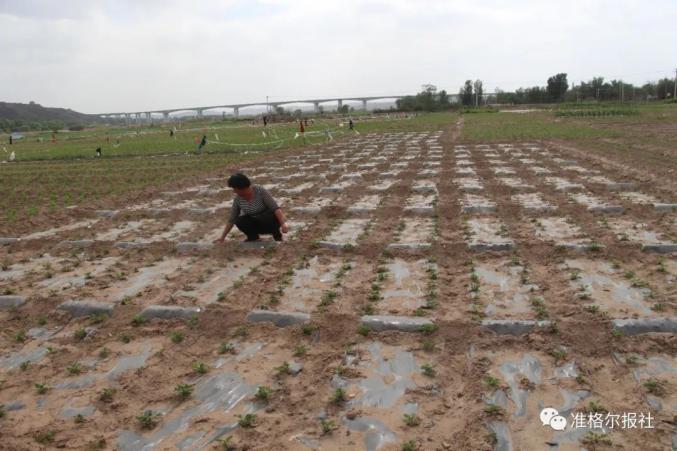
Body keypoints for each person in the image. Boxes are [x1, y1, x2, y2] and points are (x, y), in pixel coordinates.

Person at [215, 173, 288, 243]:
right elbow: (232, 219)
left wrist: (283, 224)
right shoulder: (238, 199)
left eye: (235, 189)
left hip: (270, 222)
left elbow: (275, 208)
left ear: (242, 188)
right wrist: (222, 237)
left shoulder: (260, 191)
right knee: (240, 220)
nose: (234, 191)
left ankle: (277, 236)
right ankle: (253, 237)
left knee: (266, 216)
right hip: (256, 224)